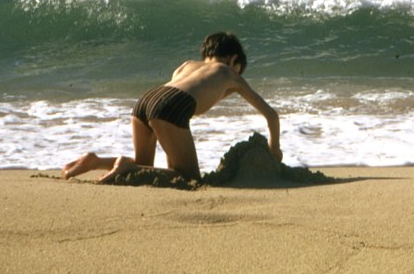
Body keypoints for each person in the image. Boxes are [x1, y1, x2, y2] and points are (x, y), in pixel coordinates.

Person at [62, 32, 280, 183]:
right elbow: (271, 115)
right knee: (190, 178)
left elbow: (170, 100)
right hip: (172, 104)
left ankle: (96, 161)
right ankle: (124, 166)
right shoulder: (229, 73)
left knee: (144, 165)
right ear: (233, 59)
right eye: (239, 69)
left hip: (146, 100)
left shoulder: (187, 65)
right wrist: (274, 149)